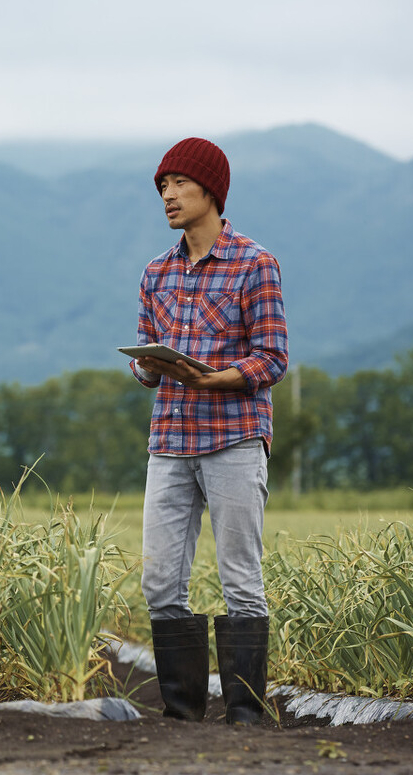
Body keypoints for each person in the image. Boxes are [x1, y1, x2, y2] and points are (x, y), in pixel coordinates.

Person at [129, 137, 288, 725]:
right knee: (160, 583)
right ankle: (182, 719)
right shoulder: (155, 273)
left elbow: (272, 359)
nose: (167, 195)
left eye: (178, 183)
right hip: (169, 442)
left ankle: (246, 719)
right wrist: (149, 364)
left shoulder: (255, 263)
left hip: (234, 440)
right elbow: (145, 366)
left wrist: (216, 378)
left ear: (210, 191)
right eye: (161, 186)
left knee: (241, 579)